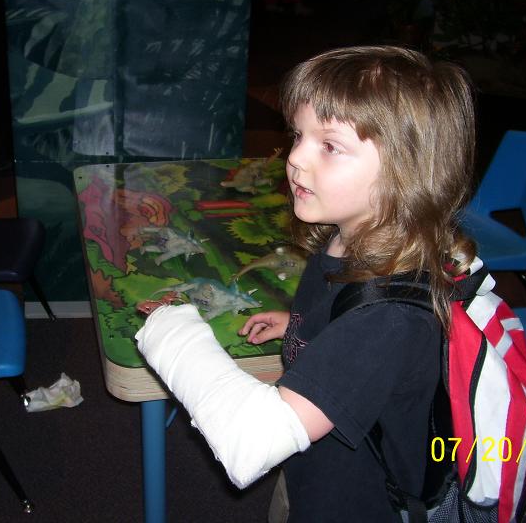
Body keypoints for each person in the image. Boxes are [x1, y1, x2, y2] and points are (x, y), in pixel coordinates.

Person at [136, 46, 477, 522]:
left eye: (330, 146)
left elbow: (250, 440)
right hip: (312, 470)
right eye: (299, 135)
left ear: (408, 171)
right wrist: (305, 325)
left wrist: (172, 330)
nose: (295, 157)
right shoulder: (346, 238)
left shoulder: (390, 320)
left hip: (355, 506)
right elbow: (345, 313)